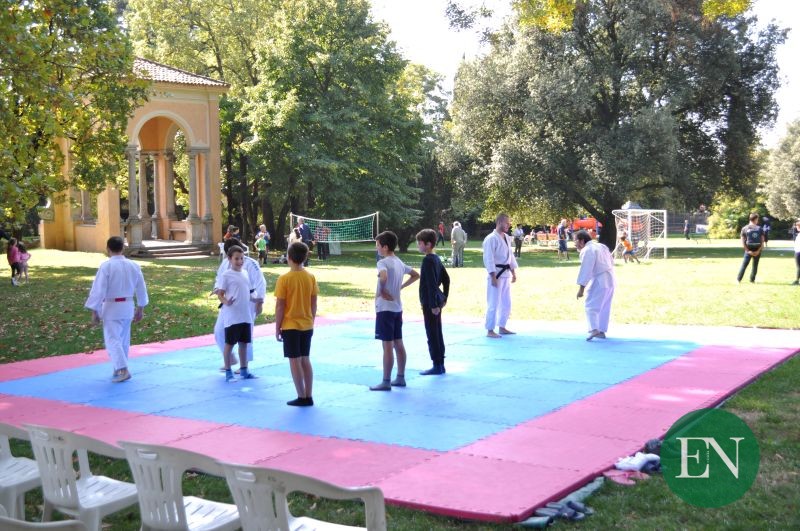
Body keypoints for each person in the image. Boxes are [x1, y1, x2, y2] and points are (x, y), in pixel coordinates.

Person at [84, 236, 149, 382]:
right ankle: (118, 367)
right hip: (128, 306)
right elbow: (141, 288)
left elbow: (98, 290)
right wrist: (141, 308)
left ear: (108, 249)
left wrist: (95, 310)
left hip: (112, 307)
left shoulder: (106, 266)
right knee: (123, 339)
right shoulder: (134, 265)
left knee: (112, 340)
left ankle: (123, 369)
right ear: (123, 248)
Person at [370, 231, 419, 391]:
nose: (377, 248)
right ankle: (400, 377)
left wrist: (382, 290)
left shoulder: (382, 263)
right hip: (397, 309)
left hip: (385, 309)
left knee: (387, 346)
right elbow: (415, 275)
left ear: (385, 247)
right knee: (398, 343)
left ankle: (386, 381)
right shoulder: (399, 262)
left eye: (378, 245)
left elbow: (383, 277)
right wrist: (401, 286)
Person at [275, 241, 319, 406]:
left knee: (294, 360)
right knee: (305, 359)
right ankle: (309, 394)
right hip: (307, 324)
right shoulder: (310, 277)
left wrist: (277, 327)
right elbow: (313, 303)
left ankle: (302, 396)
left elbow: (280, 306)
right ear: (305, 257)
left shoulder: (284, 279)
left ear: (289, 257)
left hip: (291, 326)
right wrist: (311, 320)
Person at [213, 238, 266, 372]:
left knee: (246, 334)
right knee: (219, 330)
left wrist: (260, 302)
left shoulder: (251, 264)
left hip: (248, 302)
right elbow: (219, 279)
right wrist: (217, 289)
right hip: (229, 303)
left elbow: (261, 283)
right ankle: (230, 358)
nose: (238, 260)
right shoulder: (225, 263)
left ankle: (244, 364)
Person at [217, 245, 256, 382]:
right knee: (229, 344)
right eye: (236, 259)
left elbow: (248, 292)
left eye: (241, 258)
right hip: (233, 316)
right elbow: (220, 294)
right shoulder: (226, 275)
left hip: (245, 315)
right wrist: (226, 302)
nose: (240, 261)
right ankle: (228, 372)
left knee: (244, 343)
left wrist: (257, 300)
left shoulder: (245, 273)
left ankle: (244, 370)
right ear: (230, 259)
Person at [416, 228, 450, 374]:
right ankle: (440, 364)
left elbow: (430, 284)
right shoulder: (436, 258)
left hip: (430, 303)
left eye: (420, 243)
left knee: (432, 333)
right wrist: (445, 297)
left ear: (428, 244)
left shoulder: (428, 260)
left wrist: (434, 305)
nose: (418, 245)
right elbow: (446, 279)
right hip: (435, 301)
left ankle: (437, 365)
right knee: (437, 332)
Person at [574, 230, 615, 341]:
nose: (575, 244)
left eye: (575, 241)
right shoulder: (601, 246)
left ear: (582, 241)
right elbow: (612, 261)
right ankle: (601, 331)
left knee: (591, 305)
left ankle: (594, 329)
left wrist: (581, 289)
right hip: (610, 278)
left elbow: (586, 269)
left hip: (600, 280)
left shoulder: (588, 250)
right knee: (604, 306)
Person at [483, 213, 518, 338]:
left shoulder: (507, 237)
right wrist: (493, 277)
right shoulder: (491, 238)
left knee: (506, 303)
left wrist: (513, 272)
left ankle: (502, 326)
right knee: (493, 303)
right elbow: (488, 259)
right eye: (507, 223)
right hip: (496, 274)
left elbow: (510, 256)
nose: (509, 225)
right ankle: (490, 330)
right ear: (499, 222)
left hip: (506, 274)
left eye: (509, 223)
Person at [737, 212, 764, 284]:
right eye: (757, 219)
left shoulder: (744, 228)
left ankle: (738, 280)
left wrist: (748, 251)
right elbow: (762, 241)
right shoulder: (760, 228)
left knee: (744, 265)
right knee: (755, 266)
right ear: (755, 219)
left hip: (748, 250)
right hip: (757, 249)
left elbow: (742, 242)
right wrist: (758, 251)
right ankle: (752, 280)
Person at [792, 219, 800, 285]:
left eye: (797, 225)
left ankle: (797, 280)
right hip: (797, 251)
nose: (796, 227)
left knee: (798, 267)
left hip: (798, 252)